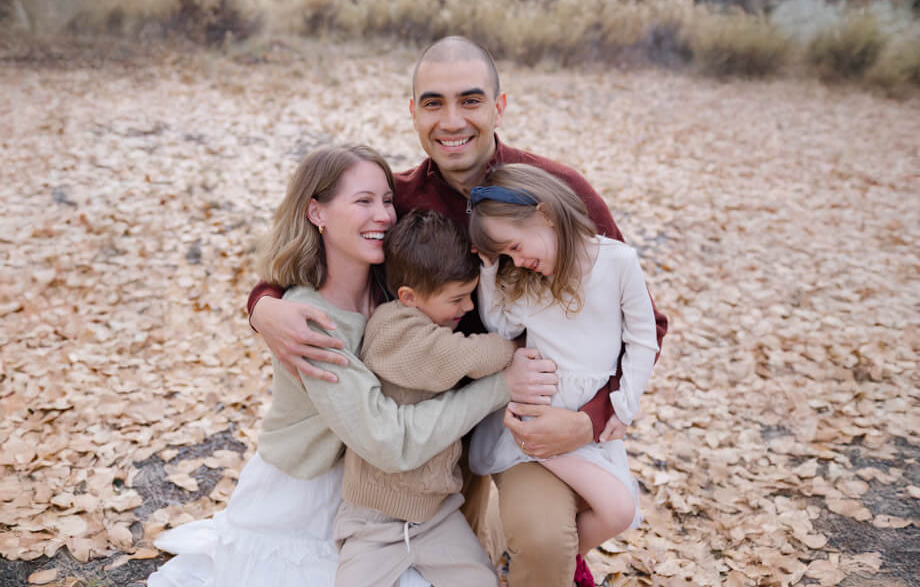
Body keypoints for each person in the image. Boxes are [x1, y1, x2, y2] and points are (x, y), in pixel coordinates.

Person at [246, 36, 668, 587]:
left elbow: (642, 320)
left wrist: (586, 419)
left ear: (499, 106)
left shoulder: (557, 193)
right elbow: (313, 250)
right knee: (455, 558)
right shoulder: (397, 202)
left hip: (531, 412)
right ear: (414, 112)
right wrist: (263, 306)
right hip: (428, 424)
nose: (451, 121)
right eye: (432, 103)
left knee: (541, 538)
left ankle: (548, 554)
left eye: (470, 101)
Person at [147, 145, 544, 587]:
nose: (383, 216)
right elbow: (389, 440)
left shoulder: (394, 288)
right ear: (316, 211)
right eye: (362, 201)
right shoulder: (309, 319)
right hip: (310, 495)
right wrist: (501, 384)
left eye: (387, 200)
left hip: (391, 493)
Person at [468, 163, 659, 556]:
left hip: (583, 420)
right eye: (505, 255)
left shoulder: (618, 263)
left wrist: (623, 407)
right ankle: (560, 567)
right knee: (618, 509)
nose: (515, 262)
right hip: (536, 422)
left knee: (614, 511)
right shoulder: (529, 283)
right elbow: (500, 327)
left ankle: (555, 565)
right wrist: (489, 271)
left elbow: (643, 337)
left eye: (515, 247)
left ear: (547, 215)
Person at [336, 209, 517, 587]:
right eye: (458, 299)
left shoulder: (428, 326)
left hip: (436, 515)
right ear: (409, 297)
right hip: (375, 519)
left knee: (480, 579)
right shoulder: (393, 330)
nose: (467, 309)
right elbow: (465, 356)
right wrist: (515, 347)